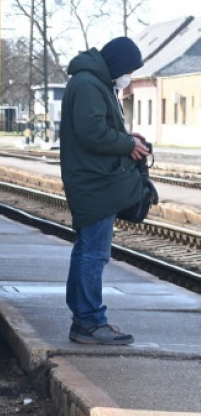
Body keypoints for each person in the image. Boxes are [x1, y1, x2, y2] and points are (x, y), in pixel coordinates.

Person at [59, 36, 150, 345]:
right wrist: (127, 144)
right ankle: (89, 322)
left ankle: (86, 320)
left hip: (94, 179)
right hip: (94, 181)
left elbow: (98, 127)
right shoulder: (88, 84)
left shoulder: (94, 82)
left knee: (87, 251)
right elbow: (92, 132)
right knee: (94, 254)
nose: (128, 77)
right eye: (129, 70)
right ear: (117, 64)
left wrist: (128, 137)